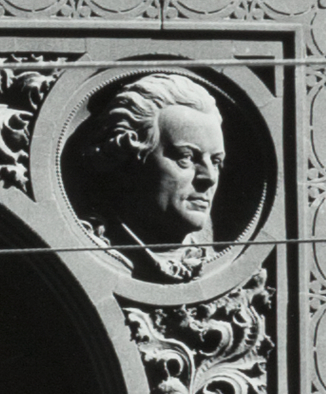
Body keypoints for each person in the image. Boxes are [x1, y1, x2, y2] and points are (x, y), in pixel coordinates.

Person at [66, 69, 227, 279]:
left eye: (216, 161)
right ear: (127, 157)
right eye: (185, 157)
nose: (210, 178)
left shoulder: (215, 265)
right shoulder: (82, 250)